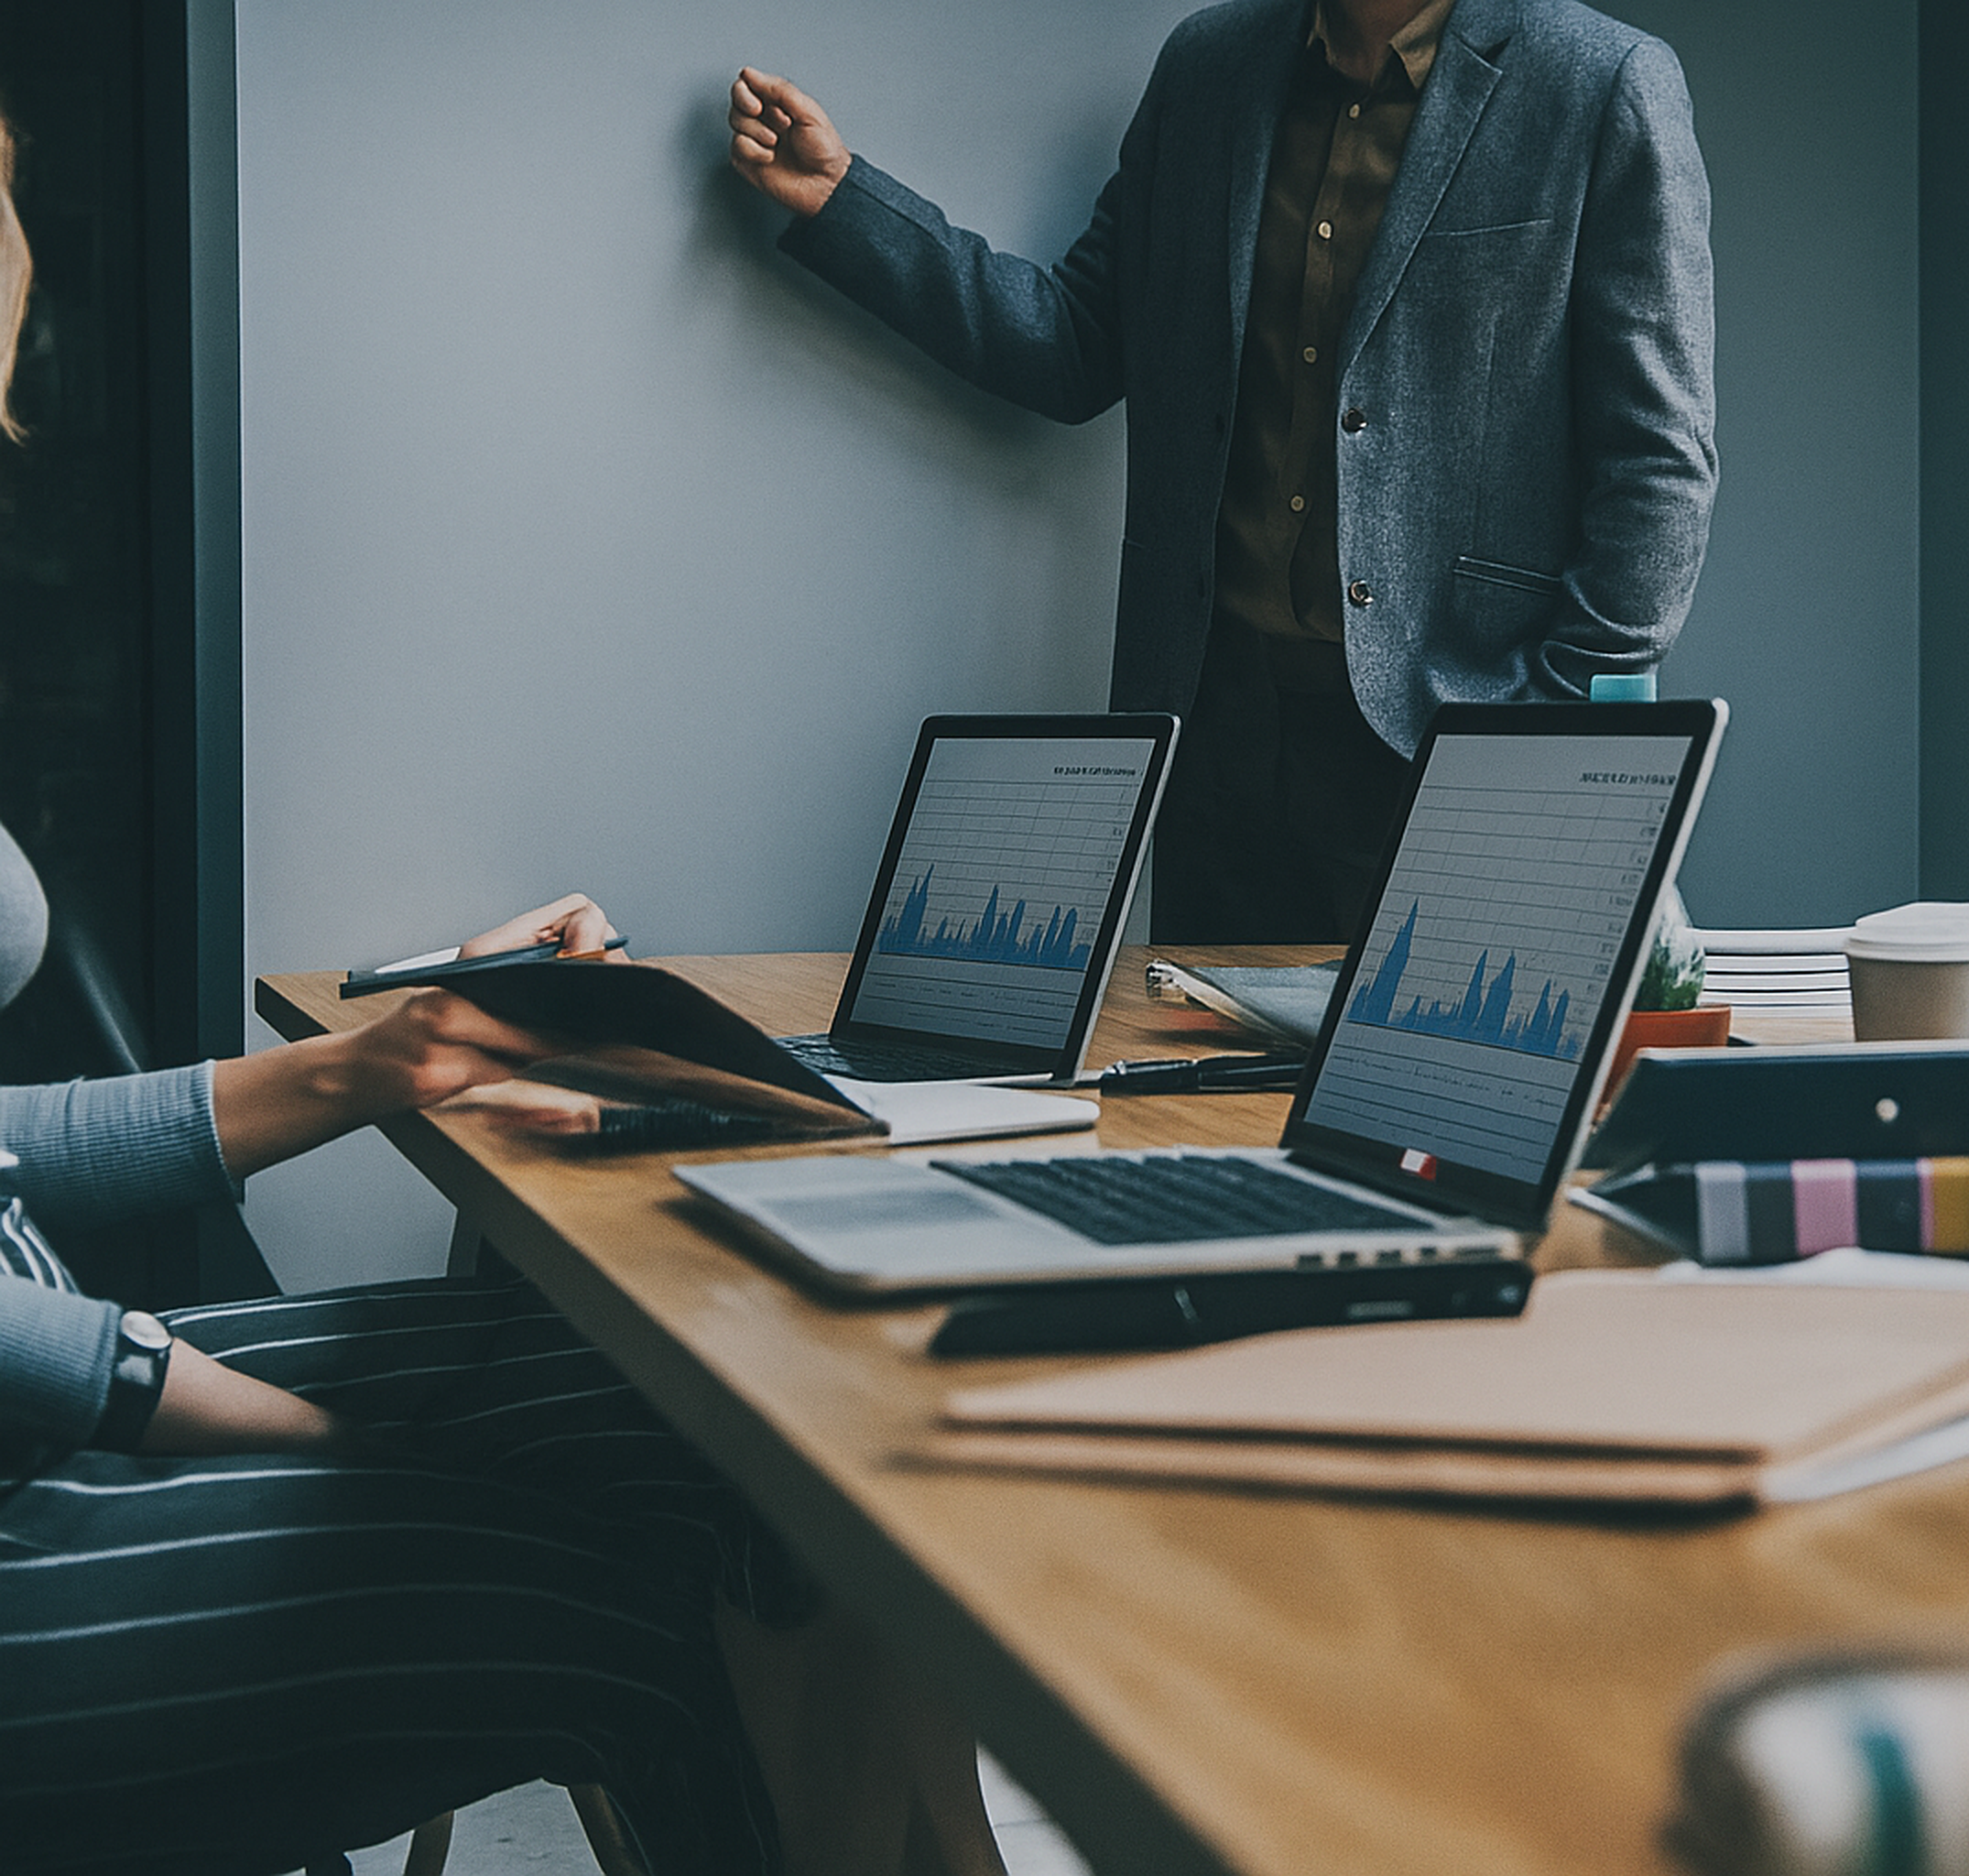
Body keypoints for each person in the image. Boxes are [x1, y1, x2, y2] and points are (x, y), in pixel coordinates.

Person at [0, 105, 1004, 1876]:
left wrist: (388, 1061)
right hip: (33, 1477)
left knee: (739, 1441)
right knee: (629, 1597)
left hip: (54, 1400)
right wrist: (300, 1441)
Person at [726, 0, 1717, 943]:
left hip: (1455, 739)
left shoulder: (1604, 84)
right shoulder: (1209, 68)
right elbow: (1076, 342)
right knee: (1211, 1103)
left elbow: (1658, 465)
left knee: (1441, 1113)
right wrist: (846, 201)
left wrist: (1539, 735)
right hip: (1212, 735)